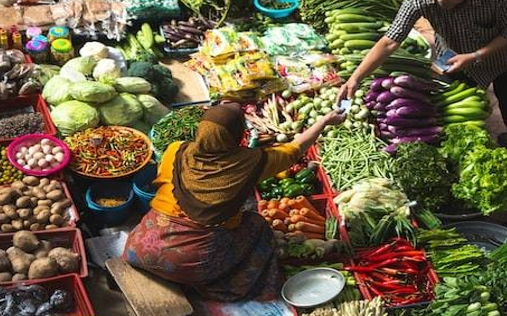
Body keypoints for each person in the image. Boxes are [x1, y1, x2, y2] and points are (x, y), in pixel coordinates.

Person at [122, 103, 345, 301]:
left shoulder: (175, 150)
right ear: (237, 135)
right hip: (190, 266)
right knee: (256, 225)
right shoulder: (250, 162)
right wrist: (323, 122)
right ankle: (226, 285)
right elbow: (293, 150)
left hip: (139, 249)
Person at [337, 0, 507, 155]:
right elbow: (389, 41)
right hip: (453, 54)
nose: (440, 1)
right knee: (451, 94)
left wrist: (475, 56)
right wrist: (355, 78)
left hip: (505, 56)